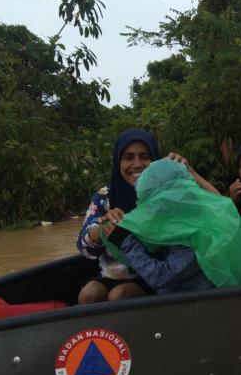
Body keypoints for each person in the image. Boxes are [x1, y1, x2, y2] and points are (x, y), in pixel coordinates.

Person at [77, 128, 217, 304]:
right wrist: (102, 229)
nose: (137, 164)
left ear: (156, 161)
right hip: (110, 275)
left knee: (119, 296)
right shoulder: (104, 197)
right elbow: (85, 249)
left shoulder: (166, 194)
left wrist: (190, 172)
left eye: (145, 157)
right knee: (89, 294)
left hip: (153, 277)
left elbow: (218, 208)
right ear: (118, 161)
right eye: (128, 157)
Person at [102, 159, 214, 295]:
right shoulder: (176, 223)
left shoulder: (191, 233)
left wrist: (126, 242)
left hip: (192, 305)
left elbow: (159, 277)